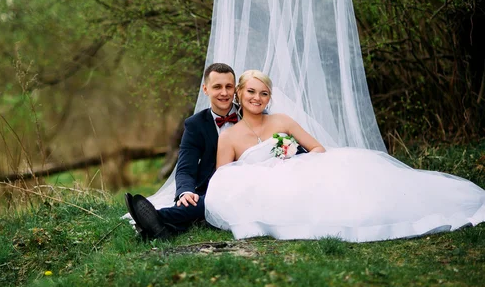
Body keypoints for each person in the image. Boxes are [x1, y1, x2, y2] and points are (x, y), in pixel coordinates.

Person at [205, 70, 485, 242]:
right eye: (251, 91)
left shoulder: (282, 121)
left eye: (264, 93)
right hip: (262, 189)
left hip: (294, 172)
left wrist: (287, 157)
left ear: (269, 98)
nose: (257, 97)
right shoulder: (229, 136)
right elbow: (224, 177)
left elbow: (317, 148)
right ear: (239, 93)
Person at [125, 62, 239, 240]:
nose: (224, 93)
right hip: (212, 186)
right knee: (195, 202)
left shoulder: (249, 115)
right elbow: (185, 167)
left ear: (236, 89)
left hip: (244, 184)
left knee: (205, 205)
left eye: (228, 87)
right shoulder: (195, 125)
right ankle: (162, 228)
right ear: (205, 89)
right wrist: (185, 192)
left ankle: (156, 220)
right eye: (217, 87)